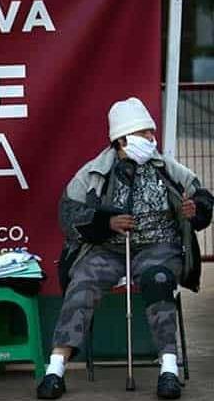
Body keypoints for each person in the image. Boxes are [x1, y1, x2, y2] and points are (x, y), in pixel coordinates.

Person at [36, 97, 214, 400]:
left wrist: (195, 209)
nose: (151, 139)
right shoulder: (94, 173)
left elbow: (203, 198)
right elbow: (68, 215)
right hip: (109, 249)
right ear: (121, 140)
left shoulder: (167, 168)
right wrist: (106, 223)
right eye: (143, 133)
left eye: (151, 132)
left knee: (158, 278)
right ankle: (55, 370)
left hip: (160, 246)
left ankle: (168, 369)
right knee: (83, 281)